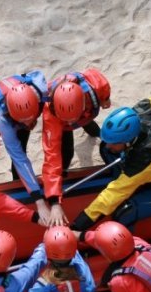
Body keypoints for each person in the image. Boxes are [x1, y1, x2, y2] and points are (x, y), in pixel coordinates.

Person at [71, 97, 151, 232]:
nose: (109, 145)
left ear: (129, 141)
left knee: (123, 213)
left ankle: (128, 246)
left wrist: (79, 225)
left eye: (114, 142)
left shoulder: (144, 160)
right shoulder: (144, 110)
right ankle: (126, 181)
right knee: (106, 150)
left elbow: (113, 194)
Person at [0, 70, 53, 224]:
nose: (27, 125)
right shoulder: (1, 114)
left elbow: (35, 74)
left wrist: (29, 121)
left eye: (30, 120)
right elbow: (17, 155)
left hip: (21, 108)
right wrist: (39, 200)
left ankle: (20, 186)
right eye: (23, 122)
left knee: (23, 146)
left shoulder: (41, 90)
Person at [40, 68, 112, 226]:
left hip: (85, 115)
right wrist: (54, 202)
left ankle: (91, 129)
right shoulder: (51, 114)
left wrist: (105, 99)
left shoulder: (98, 84)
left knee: (93, 129)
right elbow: (51, 157)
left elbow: (104, 92)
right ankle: (63, 179)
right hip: (64, 121)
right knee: (66, 153)